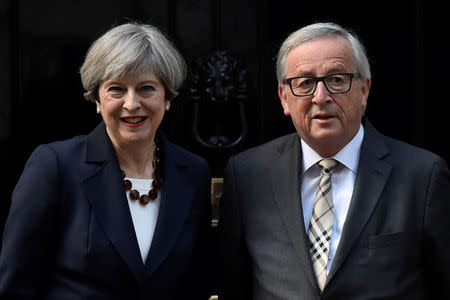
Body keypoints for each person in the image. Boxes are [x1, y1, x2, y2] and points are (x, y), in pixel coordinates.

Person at [219, 22, 450, 299]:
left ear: (364, 90)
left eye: (337, 80)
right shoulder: (247, 174)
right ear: (284, 97)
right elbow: (233, 286)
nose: (320, 97)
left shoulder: (422, 176)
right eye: (304, 83)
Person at [0, 22, 211, 299]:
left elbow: (196, 283)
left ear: (167, 97)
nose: (132, 103)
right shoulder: (54, 166)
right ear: (97, 99)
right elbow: (16, 286)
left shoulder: (193, 172)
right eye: (117, 89)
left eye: (146, 88)